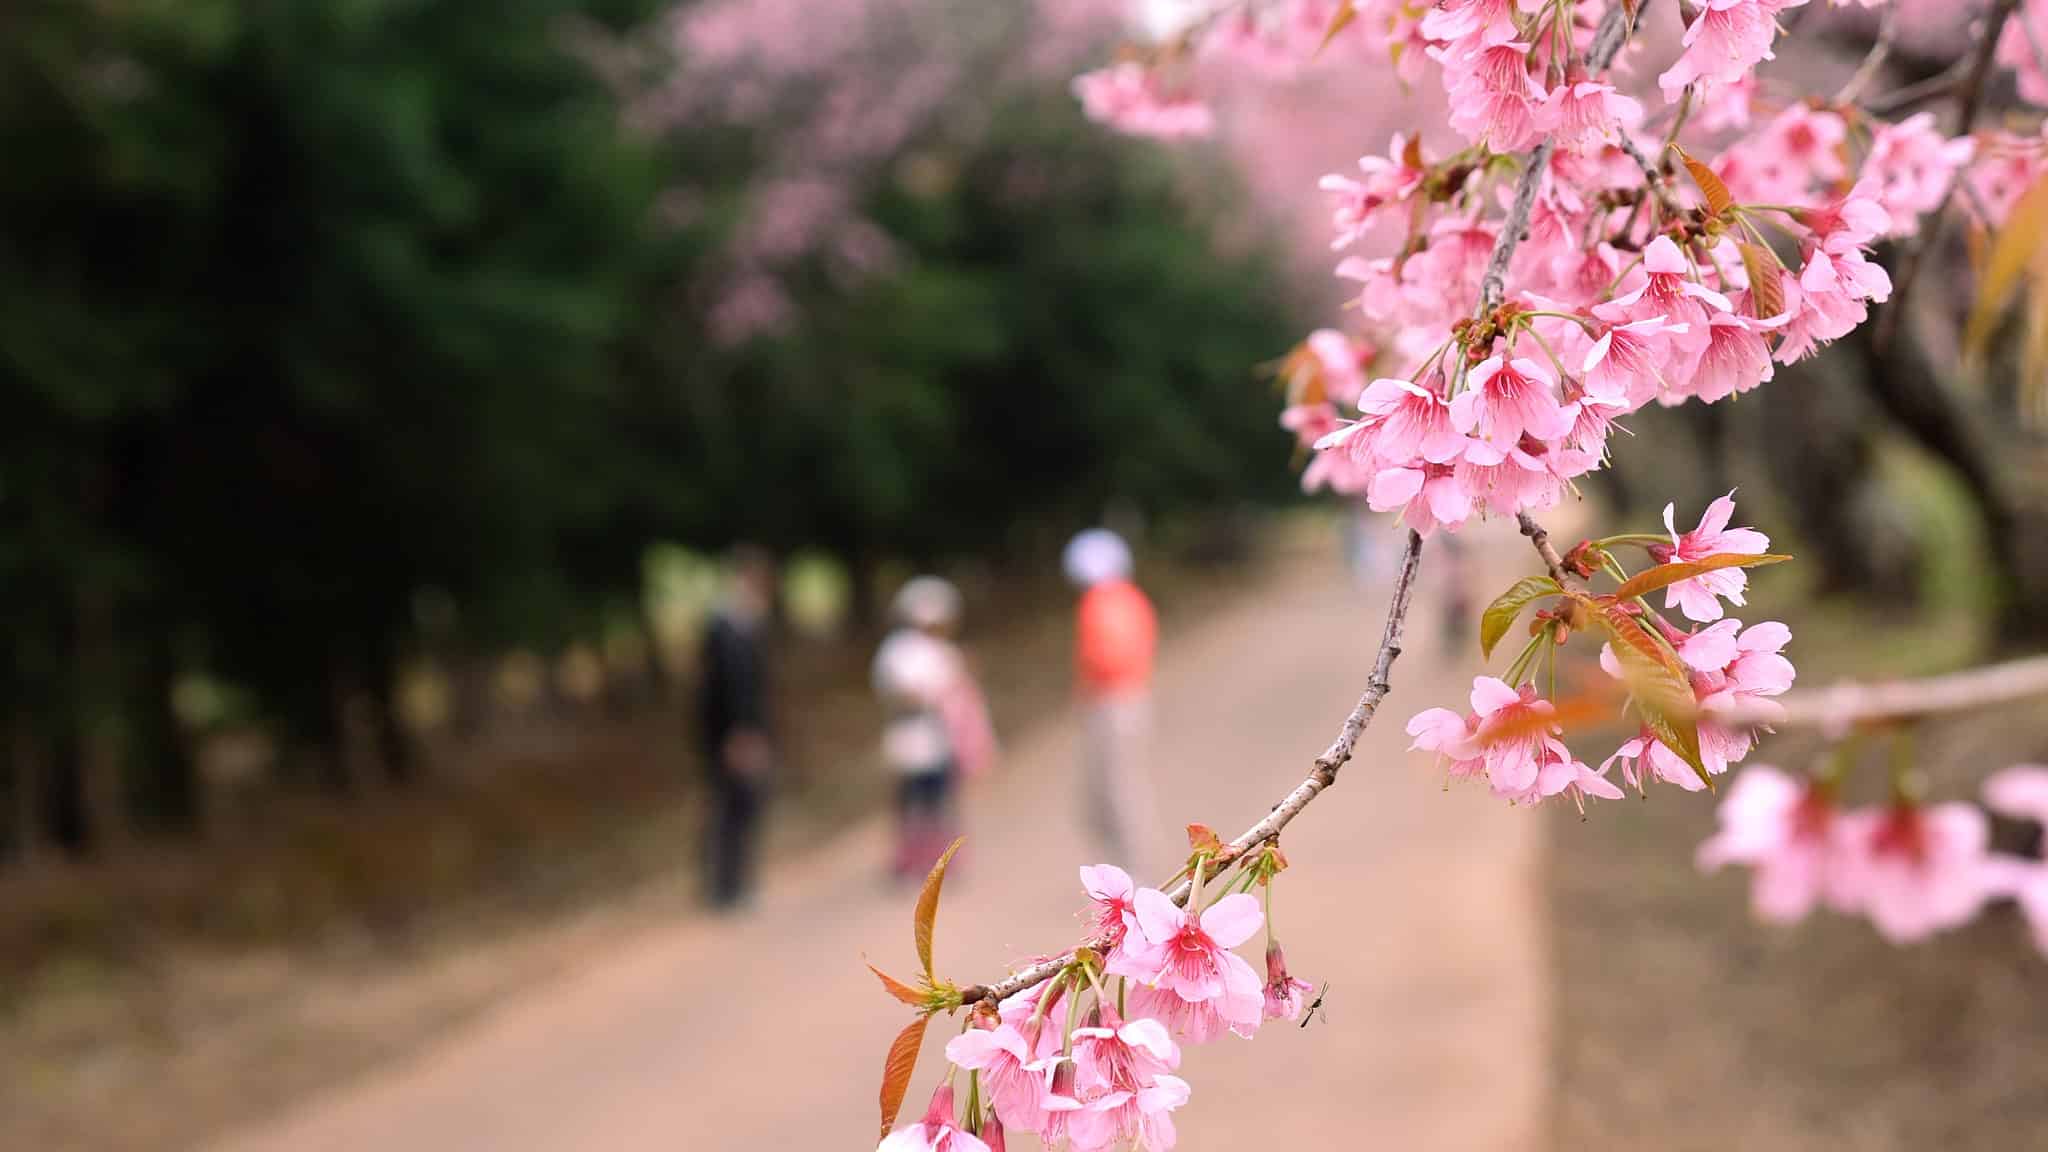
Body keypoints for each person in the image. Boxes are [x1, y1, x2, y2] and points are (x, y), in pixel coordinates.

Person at [872, 576, 997, 880]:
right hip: (911, 736)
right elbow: (903, 694)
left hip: (939, 737)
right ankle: (911, 860)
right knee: (913, 800)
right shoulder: (899, 652)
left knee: (938, 800)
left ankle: (940, 860)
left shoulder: (942, 651)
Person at [1063, 528, 1159, 869]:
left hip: (1111, 702)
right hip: (1132, 697)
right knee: (1117, 787)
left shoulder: (1101, 602)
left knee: (1116, 790)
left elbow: (1106, 655)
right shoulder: (1131, 597)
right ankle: (1124, 867)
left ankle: (1132, 872)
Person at [698, 546, 777, 911]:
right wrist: (738, 733)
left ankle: (737, 883)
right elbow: (725, 688)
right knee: (730, 806)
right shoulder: (723, 628)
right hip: (729, 734)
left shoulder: (747, 625)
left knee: (745, 806)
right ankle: (723, 888)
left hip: (746, 731)